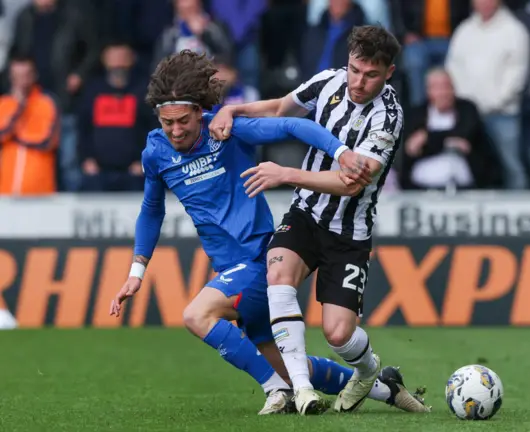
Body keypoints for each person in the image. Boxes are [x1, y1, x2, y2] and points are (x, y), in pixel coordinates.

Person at [108, 50, 427, 416]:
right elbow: (151, 210)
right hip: (228, 270)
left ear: (200, 111)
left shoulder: (226, 132)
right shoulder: (155, 151)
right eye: (168, 123)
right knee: (297, 369)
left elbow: (293, 125)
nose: (176, 131)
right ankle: (387, 389)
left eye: (183, 120)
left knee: (196, 316)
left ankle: (275, 391)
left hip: (258, 259)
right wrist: (136, 272)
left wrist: (340, 152)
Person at [209, 25, 414, 414]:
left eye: (371, 74)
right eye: (355, 69)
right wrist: (232, 108)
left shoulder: (388, 118)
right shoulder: (328, 83)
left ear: (388, 72)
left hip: (349, 233)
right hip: (305, 214)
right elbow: (281, 108)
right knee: (278, 274)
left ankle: (371, 371)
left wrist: (286, 174)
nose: (358, 81)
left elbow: (352, 184)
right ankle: (302, 390)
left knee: (338, 335)